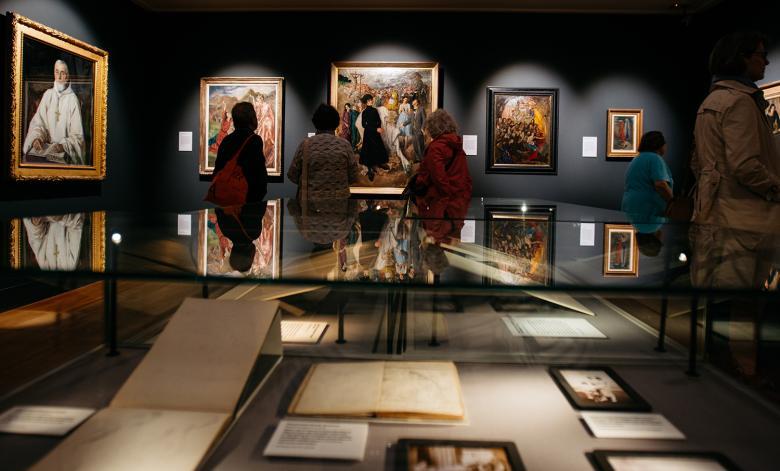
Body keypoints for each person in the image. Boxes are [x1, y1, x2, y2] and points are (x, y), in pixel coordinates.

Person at [693, 31, 780, 229]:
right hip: (743, 221)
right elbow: (745, 166)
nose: (765, 62)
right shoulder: (740, 102)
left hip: (715, 216)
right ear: (743, 57)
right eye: (761, 55)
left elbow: (697, 163)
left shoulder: (711, 101)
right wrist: (775, 188)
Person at [22, 60, 86, 165]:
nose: (59, 77)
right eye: (57, 72)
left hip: (63, 155)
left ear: (68, 76)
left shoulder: (73, 100)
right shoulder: (48, 95)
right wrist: (37, 138)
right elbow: (38, 123)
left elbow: (77, 137)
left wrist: (62, 146)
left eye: (63, 73)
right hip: (44, 153)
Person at [288, 104, 358, 199]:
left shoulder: (305, 145)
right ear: (336, 122)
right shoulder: (345, 145)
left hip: (310, 206)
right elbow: (353, 177)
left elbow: (292, 175)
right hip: (339, 206)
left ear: (315, 122)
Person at [411, 109, 472, 211]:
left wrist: (446, 199)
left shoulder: (436, 148)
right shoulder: (456, 144)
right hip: (458, 201)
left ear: (432, 127)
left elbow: (439, 178)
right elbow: (465, 175)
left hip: (440, 204)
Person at [212, 101, 268, 202]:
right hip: (247, 203)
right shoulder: (254, 140)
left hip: (226, 203)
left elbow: (217, 171)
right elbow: (259, 176)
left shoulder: (226, 140)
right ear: (251, 119)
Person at [621, 131, 674, 223]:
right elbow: (660, 184)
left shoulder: (637, 158)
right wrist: (673, 203)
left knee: (641, 235)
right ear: (660, 145)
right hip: (648, 209)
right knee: (650, 236)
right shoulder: (655, 158)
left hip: (631, 208)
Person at [358, 94, 389, 181]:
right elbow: (364, 125)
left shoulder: (375, 110)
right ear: (367, 102)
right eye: (370, 100)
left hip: (376, 133)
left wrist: (379, 127)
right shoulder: (364, 112)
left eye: (371, 100)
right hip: (369, 133)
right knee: (369, 150)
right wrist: (375, 129)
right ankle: (370, 169)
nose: (371, 101)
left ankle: (379, 163)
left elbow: (378, 120)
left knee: (378, 147)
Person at [411, 97, 426, 162]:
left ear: (417, 102)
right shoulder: (412, 110)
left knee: (420, 145)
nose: (412, 102)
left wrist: (422, 128)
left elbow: (424, 119)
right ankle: (417, 158)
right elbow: (410, 120)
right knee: (415, 145)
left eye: (414, 101)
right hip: (413, 130)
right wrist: (403, 124)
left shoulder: (421, 109)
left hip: (419, 130)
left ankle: (423, 159)